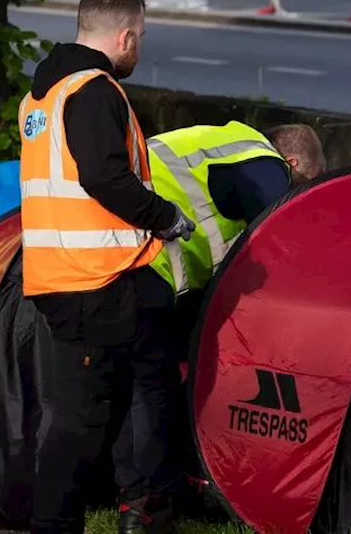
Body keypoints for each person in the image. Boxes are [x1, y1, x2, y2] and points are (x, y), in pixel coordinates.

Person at [18, 0, 195, 534]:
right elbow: (103, 176)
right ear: (123, 37)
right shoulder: (95, 91)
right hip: (94, 282)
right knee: (81, 423)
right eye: (139, 36)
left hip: (61, 278)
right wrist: (165, 217)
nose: (139, 47)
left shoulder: (43, 95)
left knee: (110, 404)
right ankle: (69, 521)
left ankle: (138, 507)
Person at [111, 120, 327, 516]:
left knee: (122, 377)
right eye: (307, 185)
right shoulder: (265, 166)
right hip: (144, 257)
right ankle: (149, 500)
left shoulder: (224, 148)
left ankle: (131, 493)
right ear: (293, 164)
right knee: (150, 380)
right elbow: (283, 250)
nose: (301, 199)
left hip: (98, 248)